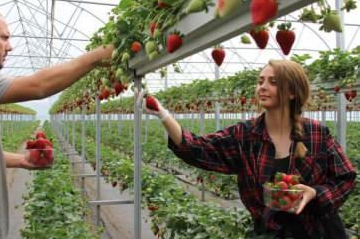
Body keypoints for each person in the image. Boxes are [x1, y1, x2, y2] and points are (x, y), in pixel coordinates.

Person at [0, 7, 113, 239]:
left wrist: (22, 160)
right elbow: (38, 86)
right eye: (4, 37)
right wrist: (96, 57)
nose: (10, 46)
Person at [142, 60, 356, 238]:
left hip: (319, 233)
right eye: (260, 81)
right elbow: (198, 148)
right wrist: (163, 114)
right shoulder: (245, 135)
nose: (262, 87)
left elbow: (345, 177)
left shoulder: (316, 133)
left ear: (292, 92)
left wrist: (315, 194)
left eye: (272, 82)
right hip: (269, 233)